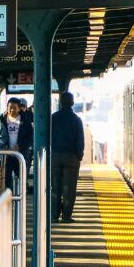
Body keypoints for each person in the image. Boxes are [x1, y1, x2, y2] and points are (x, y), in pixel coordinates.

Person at [51, 91, 84, 222]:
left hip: (55, 156)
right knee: (69, 188)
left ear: (60, 102)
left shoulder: (53, 118)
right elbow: (80, 140)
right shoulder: (76, 119)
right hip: (71, 157)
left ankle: (54, 215)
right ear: (72, 103)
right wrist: (79, 155)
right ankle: (66, 216)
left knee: (55, 187)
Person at [0, 97, 33, 192]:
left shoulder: (25, 121)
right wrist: (2, 145)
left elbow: (30, 137)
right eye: (9, 107)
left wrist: (21, 146)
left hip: (20, 154)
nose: (11, 110)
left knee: (21, 178)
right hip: (6, 155)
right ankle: (8, 201)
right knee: (5, 180)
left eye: (14, 107)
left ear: (19, 108)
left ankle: (20, 200)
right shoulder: (1, 120)